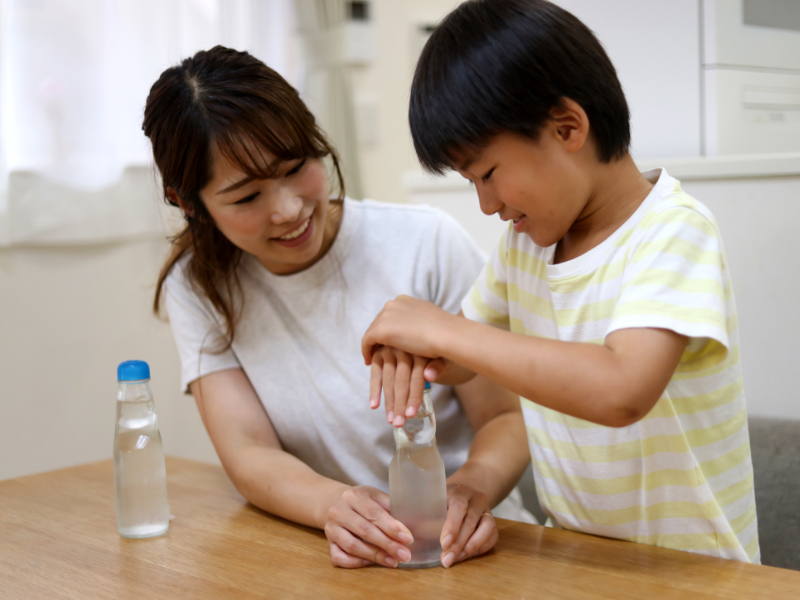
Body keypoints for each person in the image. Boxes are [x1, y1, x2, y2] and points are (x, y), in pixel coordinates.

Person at [362, 0, 760, 563]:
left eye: (489, 174)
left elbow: (622, 389)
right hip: (579, 564)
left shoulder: (673, 230)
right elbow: (466, 359)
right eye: (471, 182)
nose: (486, 203)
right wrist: (414, 351)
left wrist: (445, 331)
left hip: (698, 572)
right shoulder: (526, 247)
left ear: (567, 126)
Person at [143, 46, 533, 570]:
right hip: (333, 556)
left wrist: (468, 491)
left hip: (466, 551)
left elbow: (506, 417)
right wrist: (335, 506)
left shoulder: (424, 243)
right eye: (246, 198)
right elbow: (248, 452)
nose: (288, 209)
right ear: (189, 203)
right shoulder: (199, 287)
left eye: (296, 166)